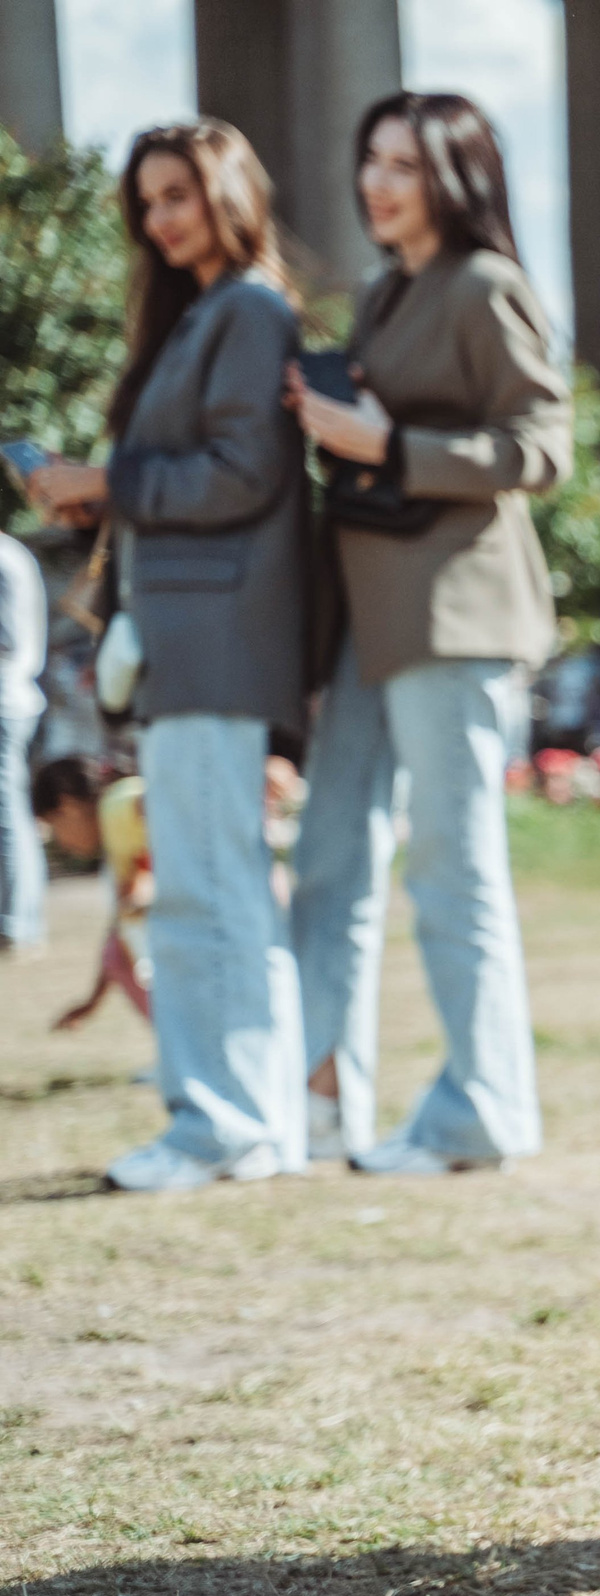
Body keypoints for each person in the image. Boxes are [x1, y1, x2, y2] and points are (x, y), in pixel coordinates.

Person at [286, 92, 570, 1173]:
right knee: (327, 861)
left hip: (454, 618)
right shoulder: (380, 294)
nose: (379, 182)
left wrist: (390, 441)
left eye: (404, 164)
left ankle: (481, 1113)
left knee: (452, 871)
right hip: (366, 620)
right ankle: (313, 1098)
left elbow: (542, 444)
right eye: (372, 160)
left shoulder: (484, 286)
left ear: (454, 177)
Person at [24, 120, 311, 1190]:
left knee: (203, 888)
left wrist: (105, 483)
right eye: (147, 202)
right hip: (197, 635)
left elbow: (242, 475)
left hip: (216, 638)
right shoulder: (212, 314)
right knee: (218, 884)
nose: (159, 219)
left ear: (228, 192)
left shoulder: (243, 308)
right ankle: (256, 1119)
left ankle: (219, 1124)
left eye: (177, 195)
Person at [35, 758, 154, 1031]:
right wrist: (92, 1003)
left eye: (55, 828)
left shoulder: (117, 804)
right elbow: (119, 938)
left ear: (68, 807)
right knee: (117, 952)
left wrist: (148, 869)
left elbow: (165, 808)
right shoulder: (113, 838)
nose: (62, 844)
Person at [0, 532, 45, 953]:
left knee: (6, 816)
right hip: (15, 699)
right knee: (12, 811)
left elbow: (6, 642)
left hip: (4, 701)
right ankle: (20, 919)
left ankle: (13, 923)